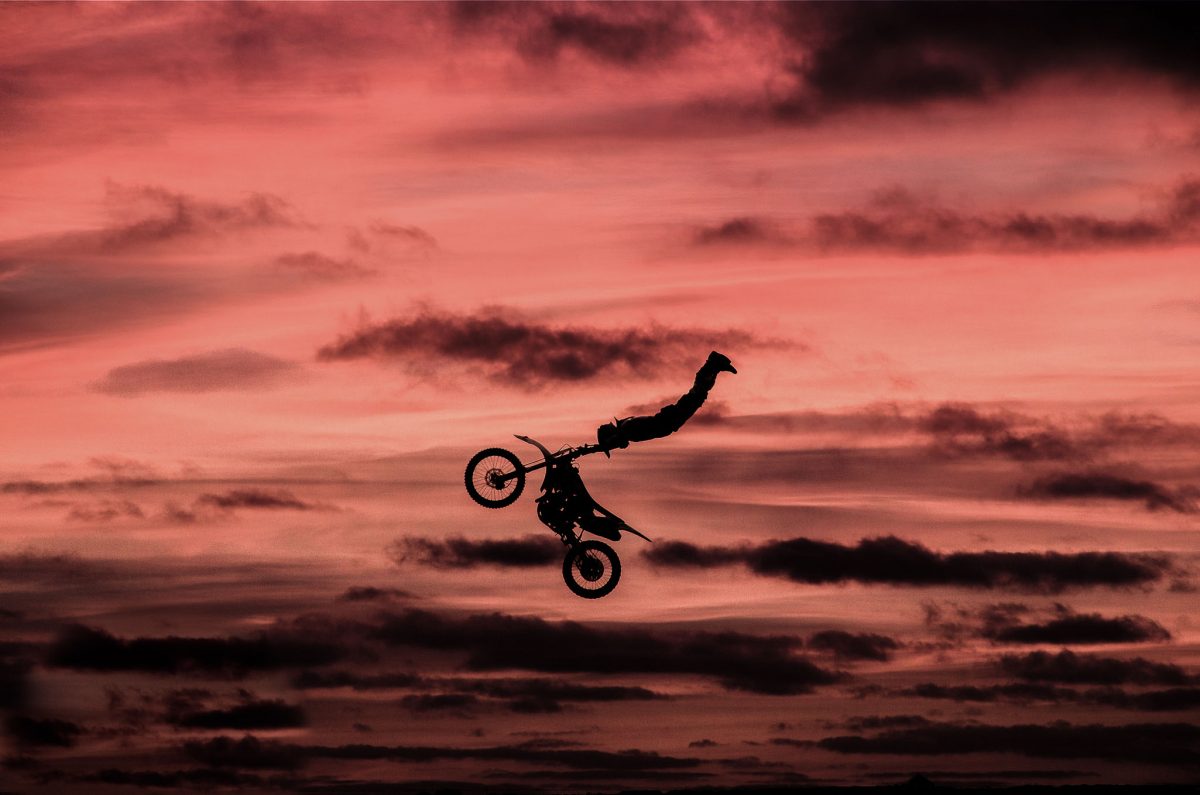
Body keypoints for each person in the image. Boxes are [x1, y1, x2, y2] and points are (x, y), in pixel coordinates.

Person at [596, 351, 736, 453]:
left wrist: (605, 445)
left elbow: (628, 435)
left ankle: (712, 363)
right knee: (698, 394)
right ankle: (715, 366)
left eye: (613, 445)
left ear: (612, 436)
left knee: (697, 393)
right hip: (670, 421)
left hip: (670, 419)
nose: (617, 447)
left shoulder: (627, 429)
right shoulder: (627, 428)